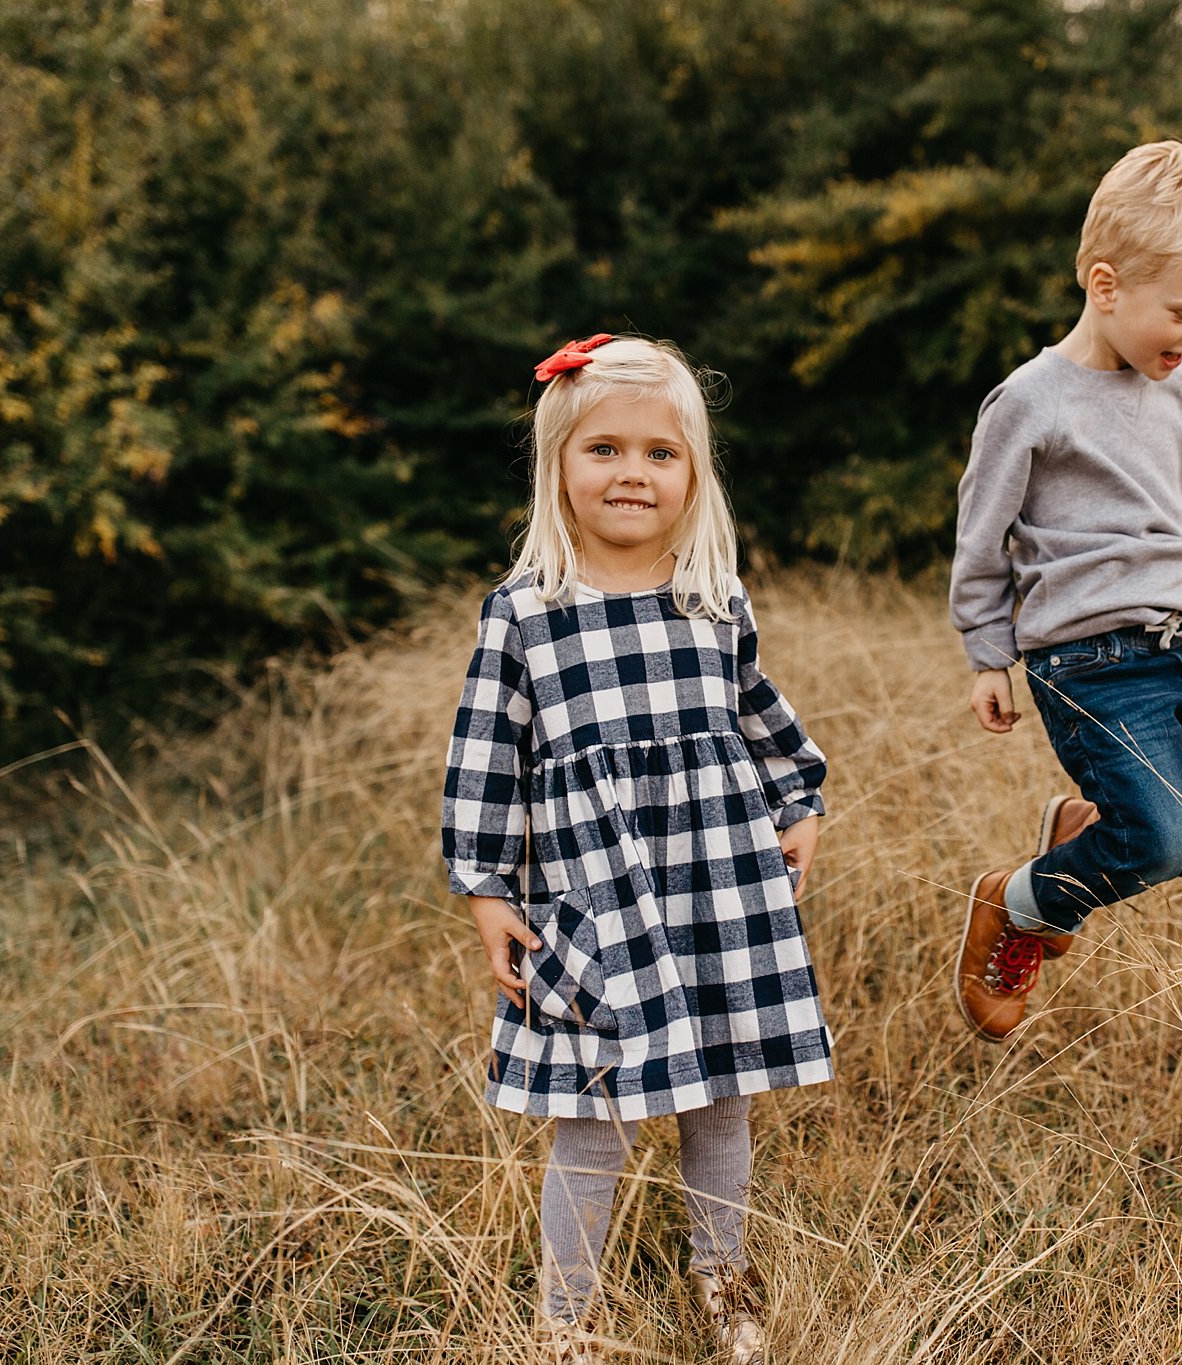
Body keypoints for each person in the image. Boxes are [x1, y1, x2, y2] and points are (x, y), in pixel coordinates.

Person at [442, 334, 830, 1364]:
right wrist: (486, 890)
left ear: (693, 472)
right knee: (593, 1113)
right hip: (593, 903)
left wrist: (797, 798)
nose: (631, 473)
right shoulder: (525, 615)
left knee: (718, 1095)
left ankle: (723, 1273)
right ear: (558, 468)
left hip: (715, 891)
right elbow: (485, 758)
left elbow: (759, 714)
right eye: (603, 449)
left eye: (660, 453)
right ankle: (563, 1316)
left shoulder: (711, 599)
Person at [948, 140, 1182, 1043]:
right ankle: (1019, 901)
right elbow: (981, 536)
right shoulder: (1030, 401)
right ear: (1106, 287)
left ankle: (1079, 836)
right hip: (1090, 665)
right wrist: (988, 654)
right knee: (1155, 841)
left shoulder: (1179, 391)